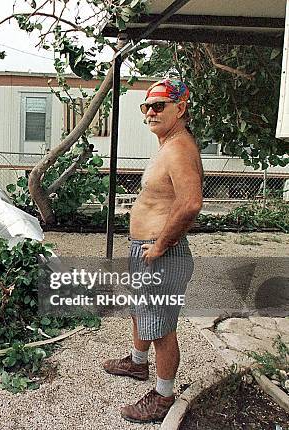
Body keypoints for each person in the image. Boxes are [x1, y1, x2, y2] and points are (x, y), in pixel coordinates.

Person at [102, 78, 203, 423]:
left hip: (159, 253)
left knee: (161, 327)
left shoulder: (179, 147)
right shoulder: (167, 144)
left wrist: (161, 244)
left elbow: (190, 203)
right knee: (139, 310)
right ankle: (136, 363)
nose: (150, 112)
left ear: (181, 107)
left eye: (159, 105)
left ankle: (163, 395)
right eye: (146, 106)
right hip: (146, 249)